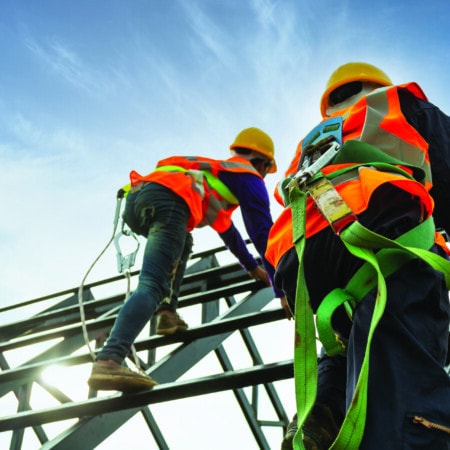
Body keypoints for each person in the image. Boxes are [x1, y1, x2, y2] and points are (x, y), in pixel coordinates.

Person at [265, 62, 450, 449]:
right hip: (379, 224)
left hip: (299, 258)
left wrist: (280, 285)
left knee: (347, 336)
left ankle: (320, 411)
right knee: (402, 353)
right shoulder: (399, 103)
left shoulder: (312, 141)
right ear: (377, 84)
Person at [87, 127, 286, 393]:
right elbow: (262, 233)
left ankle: (167, 314)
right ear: (262, 162)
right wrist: (281, 288)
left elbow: (230, 233)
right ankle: (110, 359)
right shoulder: (248, 176)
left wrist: (251, 267)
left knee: (184, 242)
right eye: (265, 170)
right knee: (152, 285)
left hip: (138, 200)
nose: (263, 176)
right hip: (169, 203)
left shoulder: (213, 177)